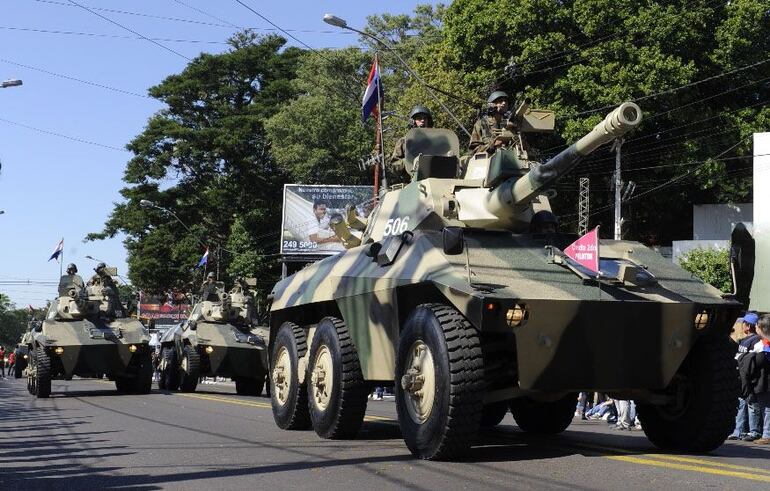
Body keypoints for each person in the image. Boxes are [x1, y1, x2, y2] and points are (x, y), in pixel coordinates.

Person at [730, 312, 764, 441]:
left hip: (749, 378)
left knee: (751, 404)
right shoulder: (743, 340)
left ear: (748, 325)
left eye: (743, 323)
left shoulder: (755, 340)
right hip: (741, 376)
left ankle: (754, 431)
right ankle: (739, 431)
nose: (741, 325)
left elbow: (752, 360)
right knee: (741, 403)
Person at [388, 105, 433, 182]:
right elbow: (394, 166)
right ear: (413, 122)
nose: (423, 121)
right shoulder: (404, 141)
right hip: (411, 183)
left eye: (425, 118)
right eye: (419, 118)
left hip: (433, 180)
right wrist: (408, 161)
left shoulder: (434, 140)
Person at [748, 314, 770, 444]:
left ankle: (767, 435)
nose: (755, 327)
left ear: (761, 328)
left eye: (756, 325)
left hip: (765, 382)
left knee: (766, 408)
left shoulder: (762, 345)